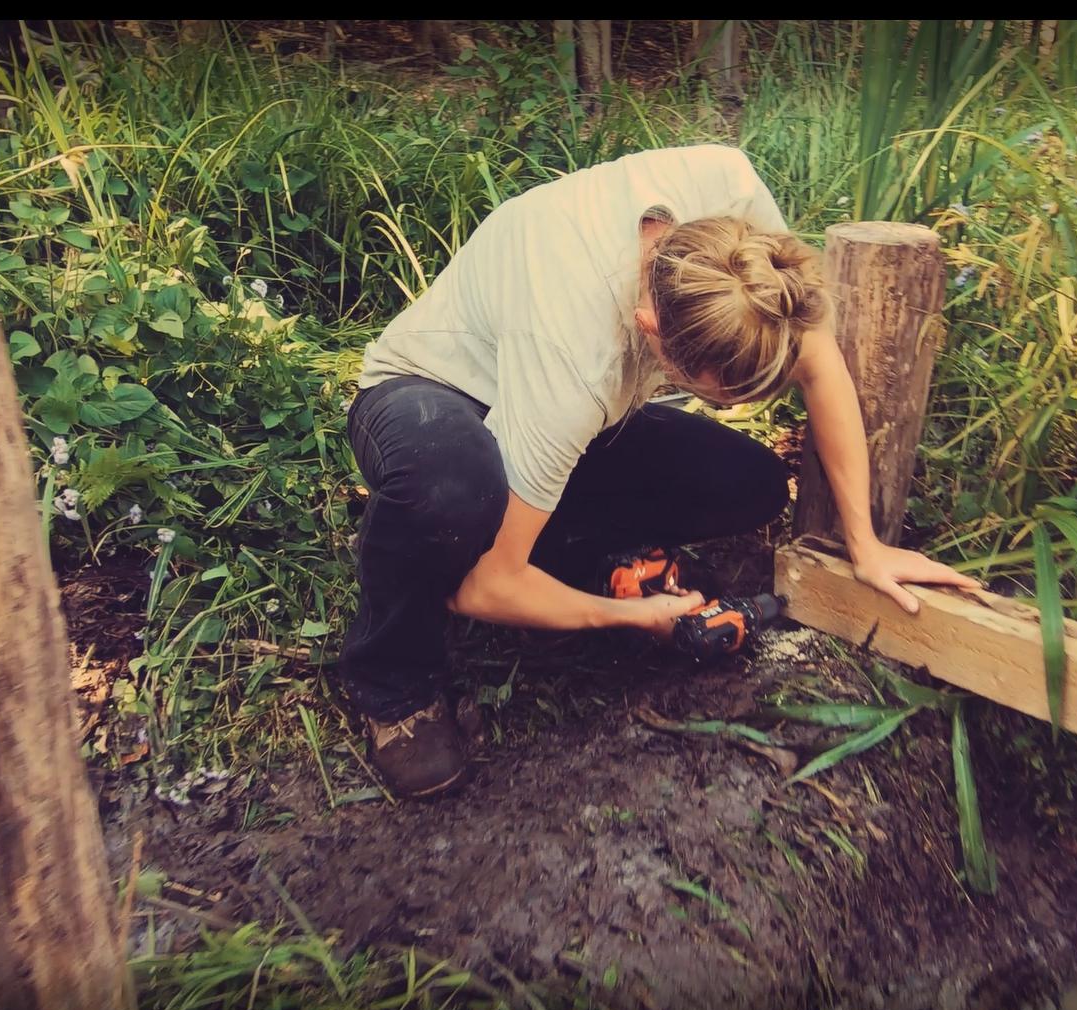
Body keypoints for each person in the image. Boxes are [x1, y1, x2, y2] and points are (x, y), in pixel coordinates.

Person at [343, 144, 978, 797]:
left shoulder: (731, 194)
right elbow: (479, 590)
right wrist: (629, 618)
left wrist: (866, 545)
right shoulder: (576, 364)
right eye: (716, 396)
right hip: (430, 397)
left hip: (555, 417)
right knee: (450, 493)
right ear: (651, 330)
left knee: (748, 484)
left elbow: (816, 358)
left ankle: (541, 542)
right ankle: (393, 679)